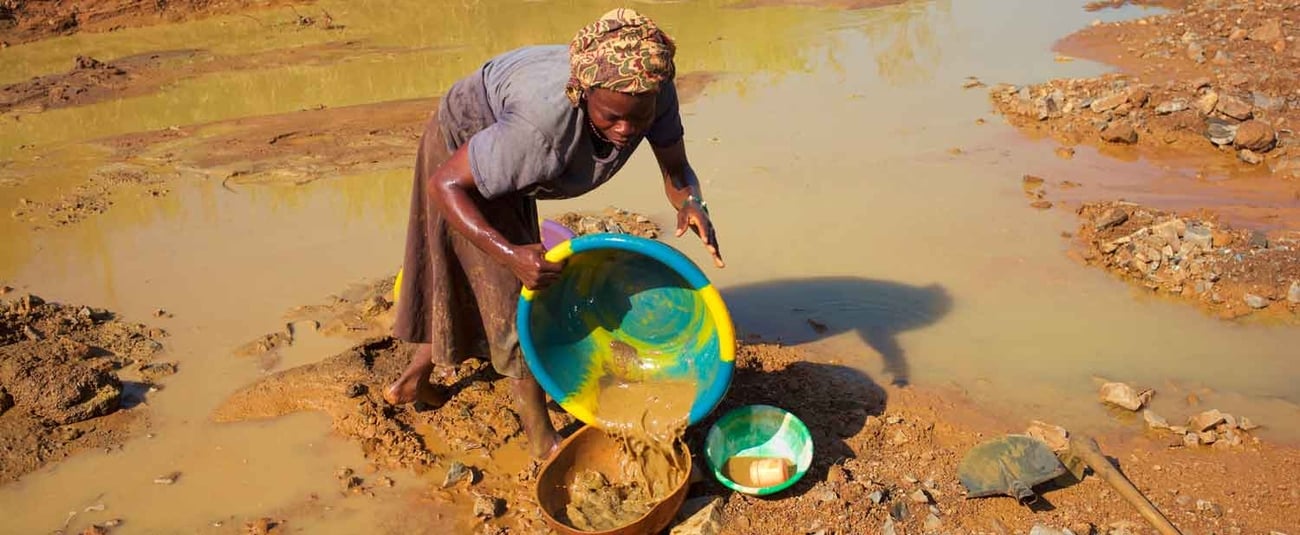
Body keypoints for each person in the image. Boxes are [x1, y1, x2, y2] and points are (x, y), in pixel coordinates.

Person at [383, 8, 724, 460]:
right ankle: (543, 441)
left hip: (506, 157)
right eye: (611, 118)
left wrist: (690, 202)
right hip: (463, 150)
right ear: (582, 95)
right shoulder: (541, 130)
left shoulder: (650, 91)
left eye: (636, 121)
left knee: (477, 280)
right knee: (516, 298)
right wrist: (510, 253)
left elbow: (676, 166)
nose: (625, 132)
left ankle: (412, 382)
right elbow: (444, 184)